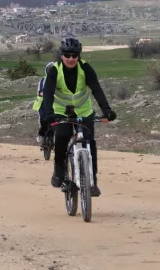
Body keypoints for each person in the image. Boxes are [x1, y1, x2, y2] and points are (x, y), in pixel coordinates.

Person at [42, 37, 116, 197]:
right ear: (62, 55)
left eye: (74, 56)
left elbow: (96, 88)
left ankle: (92, 182)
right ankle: (59, 171)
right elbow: (48, 93)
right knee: (62, 136)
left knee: (90, 144)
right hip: (62, 111)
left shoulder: (86, 69)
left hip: (83, 111)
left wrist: (107, 109)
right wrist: (49, 113)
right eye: (67, 55)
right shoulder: (55, 70)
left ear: (79, 56)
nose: (70, 59)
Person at [34, 62, 54, 144]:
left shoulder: (59, 80)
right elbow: (40, 92)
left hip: (55, 103)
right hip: (43, 104)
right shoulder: (43, 80)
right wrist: (45, 94)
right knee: (43, 119)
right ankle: (41, 134)